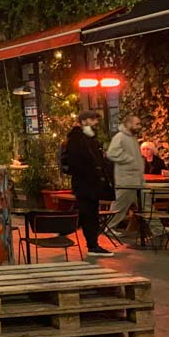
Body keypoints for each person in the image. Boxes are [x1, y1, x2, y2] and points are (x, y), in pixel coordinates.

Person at [65, 110, 115, 257]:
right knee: (88, 214)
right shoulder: (77, 139)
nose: (96, 123)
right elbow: (76, 162)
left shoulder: (89, 138)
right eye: (93, 120)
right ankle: (92, 245)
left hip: (91, 184)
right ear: (85, 121)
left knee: (90, 214)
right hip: (85, 184)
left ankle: (92, 243)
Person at [105, 114, 145, 232]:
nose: (139, 126)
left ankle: (158, 230)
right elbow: (111, 153)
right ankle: (108, 228)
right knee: (120, 206)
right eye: (136, 124)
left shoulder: (132, 138)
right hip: (126, 180)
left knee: (146, 205)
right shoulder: (120, 137)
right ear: (128, 124)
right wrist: (129, 160)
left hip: (136, 180)